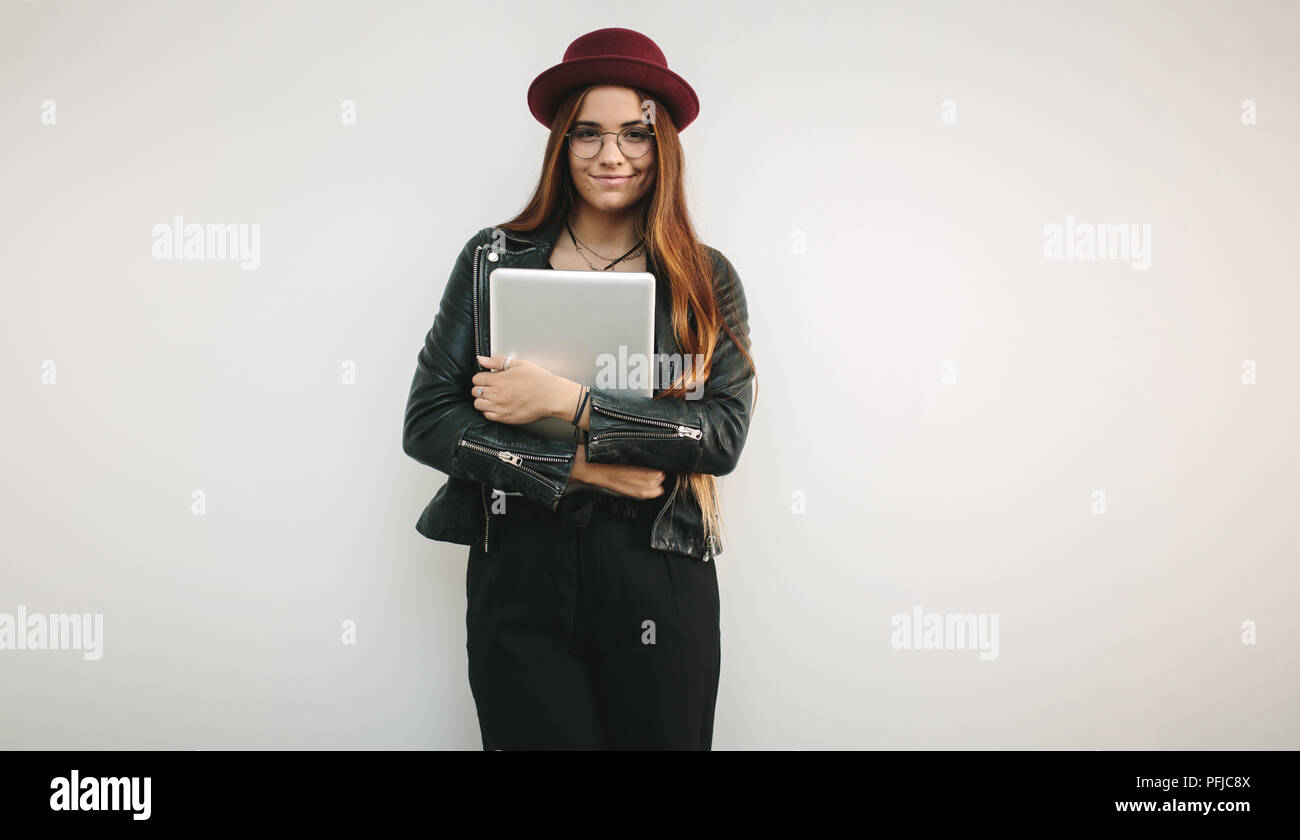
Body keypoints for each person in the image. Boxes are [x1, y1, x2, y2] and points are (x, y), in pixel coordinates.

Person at [402, 27, 758, 749]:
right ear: (562, 145)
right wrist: (575, 465)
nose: (612, 155)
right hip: (521, 567)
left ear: (663, 148)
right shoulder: (492, 258)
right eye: (588, 134)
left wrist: (564, 403)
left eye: (635, 134)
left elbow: (720, 436)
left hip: (657, 569)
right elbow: (429, 421)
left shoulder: (703, 277)